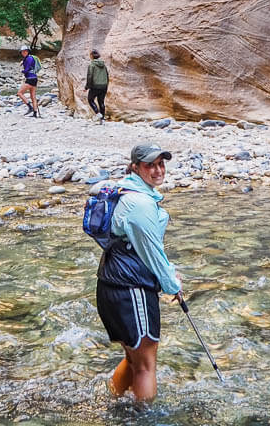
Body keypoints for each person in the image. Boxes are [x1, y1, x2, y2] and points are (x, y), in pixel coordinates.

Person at [96, 144, 182, 402]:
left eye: (161, 164)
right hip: (131, 290)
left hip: (112, 283)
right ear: (135, 166)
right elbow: (152, 252)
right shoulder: (140, 203)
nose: (158, 170)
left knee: (133, 359)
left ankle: (110, 403)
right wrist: (172, 285)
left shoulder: (126, 191)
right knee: (146, 366)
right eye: (150, 165)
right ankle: (144, 418)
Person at [84, 49, 109, 123]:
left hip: (95, 86)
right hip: (104, 86)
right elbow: (107, 75)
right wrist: (106, 83)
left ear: (91, 56)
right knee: (101, 102)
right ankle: (102, 119)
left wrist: (87, 87)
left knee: (90, 99)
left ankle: (98, 114)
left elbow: (89, 76)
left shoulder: (92, 65)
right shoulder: (103, 65)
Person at [18, 45, 40, 117]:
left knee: (20, 93)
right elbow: (27, 63)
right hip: (34, 78)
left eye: (25, 51)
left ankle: (30, 107)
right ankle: (35, 113)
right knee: (33, 96)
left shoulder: (29, 59)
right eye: (22, 52)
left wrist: (23, 71)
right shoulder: (28, 58)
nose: (23, 53)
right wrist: (22, 62)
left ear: (27, 51)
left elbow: (27, 69)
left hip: (30, 79)